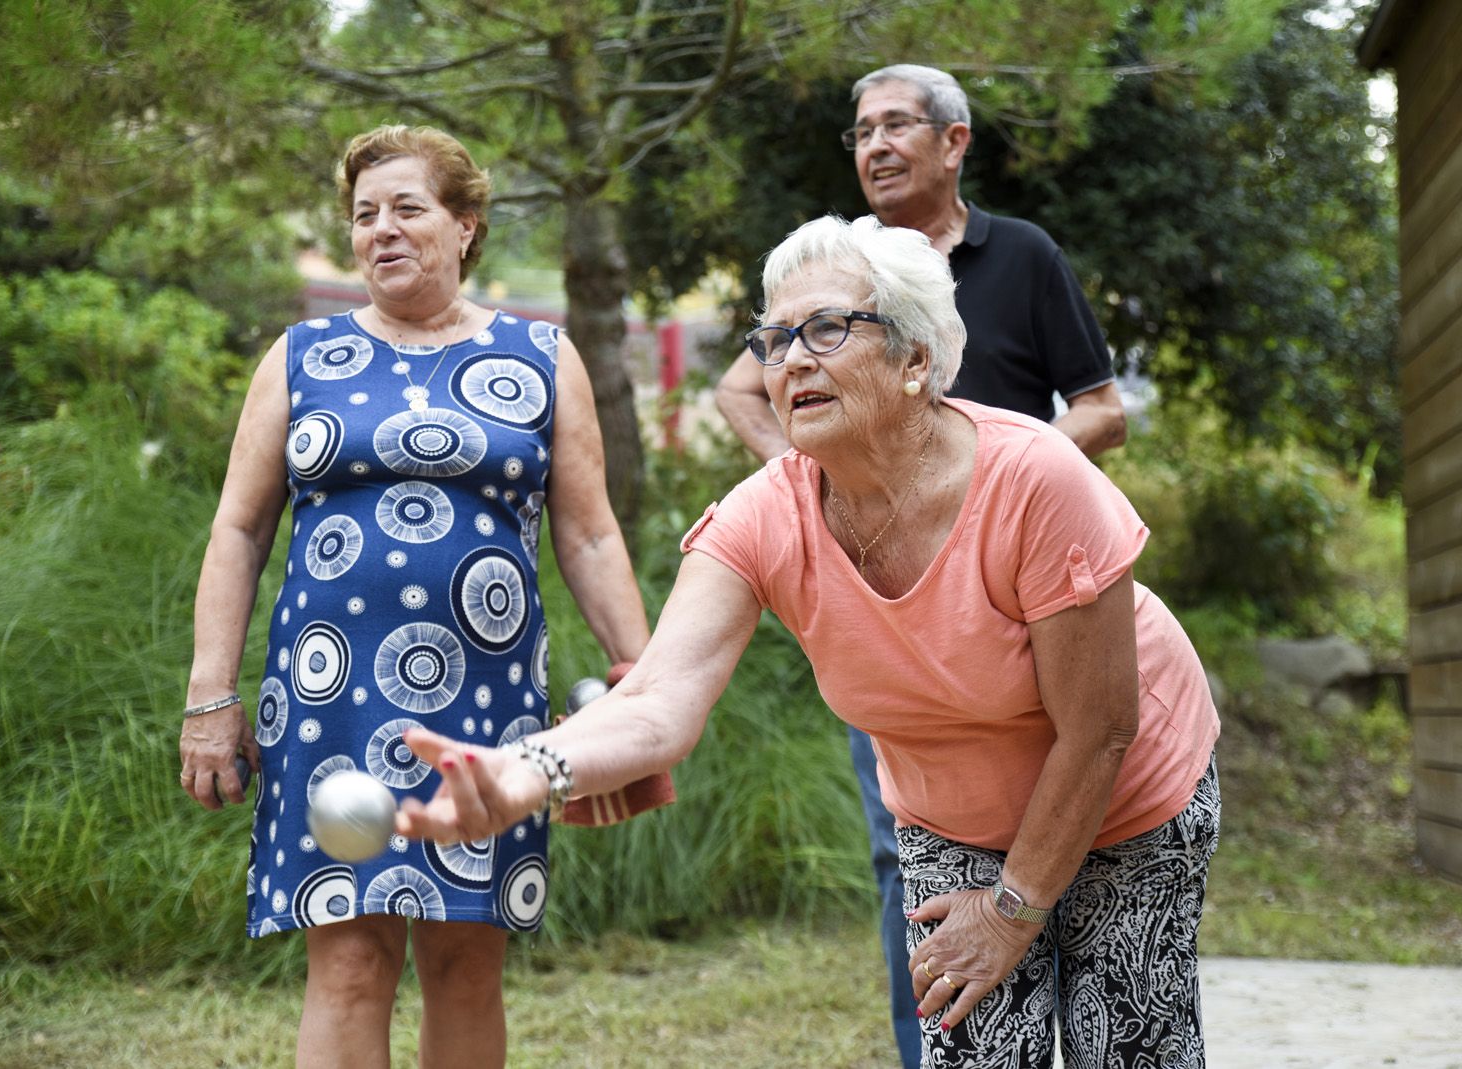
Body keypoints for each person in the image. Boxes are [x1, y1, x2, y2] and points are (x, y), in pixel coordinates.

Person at [398, 215, 1221, 1068]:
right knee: (974, 1053)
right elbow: (656, 699)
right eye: (775, 338)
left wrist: (1016, 907)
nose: (789, 360)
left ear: (915, 360)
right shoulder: (765, 515)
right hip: (953, 813)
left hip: (1124, 798)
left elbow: (1099, 729)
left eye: (827, 329)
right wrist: (531, 767)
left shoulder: (1037, 480)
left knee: (1130, 1049)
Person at [177, 124, 654, 1069]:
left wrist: (640, 684)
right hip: (329, 700)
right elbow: (237, 530)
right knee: (349, 959)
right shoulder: (300, 356)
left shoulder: (543, 355)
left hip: (486, 703)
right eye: (364, 215)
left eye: (407, 208)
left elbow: (590, 531)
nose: (381, 230)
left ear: (466, 225)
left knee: (465, 958)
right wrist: (209, 696)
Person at [714, 63, 1127, 1067]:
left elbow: (1105, 404)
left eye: (899, 124)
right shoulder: (831, 273)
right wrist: (813, 491)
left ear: (956, 142)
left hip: (1034, 597)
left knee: (1083, 834)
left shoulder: (1019, 255)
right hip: (893, 616)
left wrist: (1015, 495)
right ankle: (937, 1050)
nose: (876, 146)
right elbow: (742, 390)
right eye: (861, 131)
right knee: (907, 854)